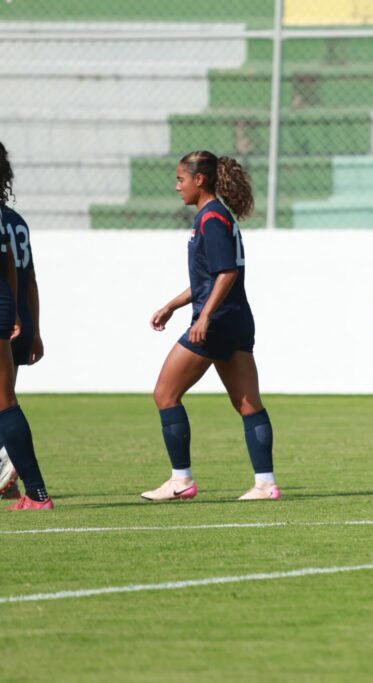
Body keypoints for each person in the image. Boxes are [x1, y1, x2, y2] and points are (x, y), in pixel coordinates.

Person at [142, 150, 278, 502]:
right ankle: (265, 484)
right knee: (249, 405)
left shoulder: (211, 219)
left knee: (165, 394)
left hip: (215, 323)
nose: (177, 187)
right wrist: (173, 304)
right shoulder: (217, 216)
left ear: (199, 180)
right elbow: (211, 278)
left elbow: (226, 274)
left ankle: (181, 480)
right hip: (235, 320)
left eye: (180, 179)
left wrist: (203, 317)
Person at [0, 141, 52, 510]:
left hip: (8, 316)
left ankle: (35, 490)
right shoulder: (15, 221)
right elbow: (26, 276)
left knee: (4, 402)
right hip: (17, 316)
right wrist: (31, 325)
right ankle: (13, 483)